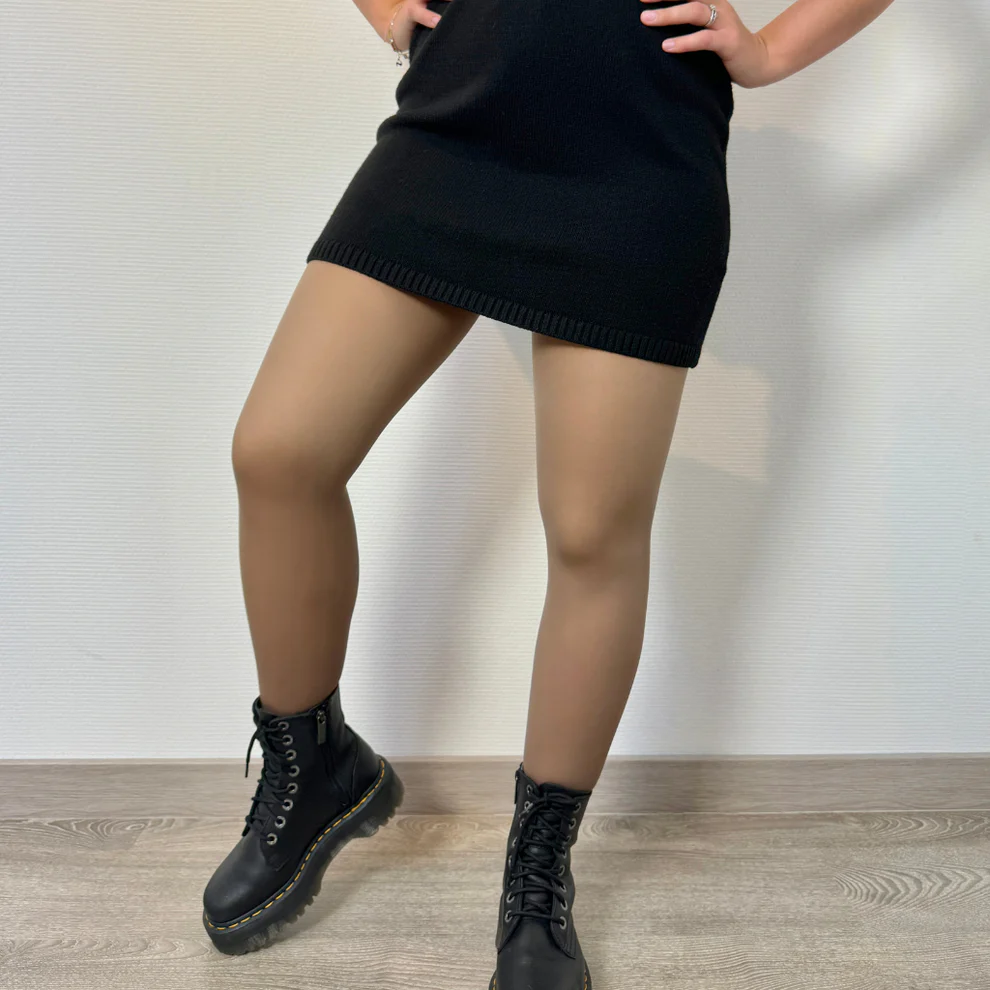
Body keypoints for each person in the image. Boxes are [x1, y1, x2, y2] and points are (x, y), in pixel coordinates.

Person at [200, 0, 897, 985]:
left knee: (591, 534)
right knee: (279, 454)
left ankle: (538, 869)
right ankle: (313, 767)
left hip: (643, 156)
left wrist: (774, 48)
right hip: (455, 122)